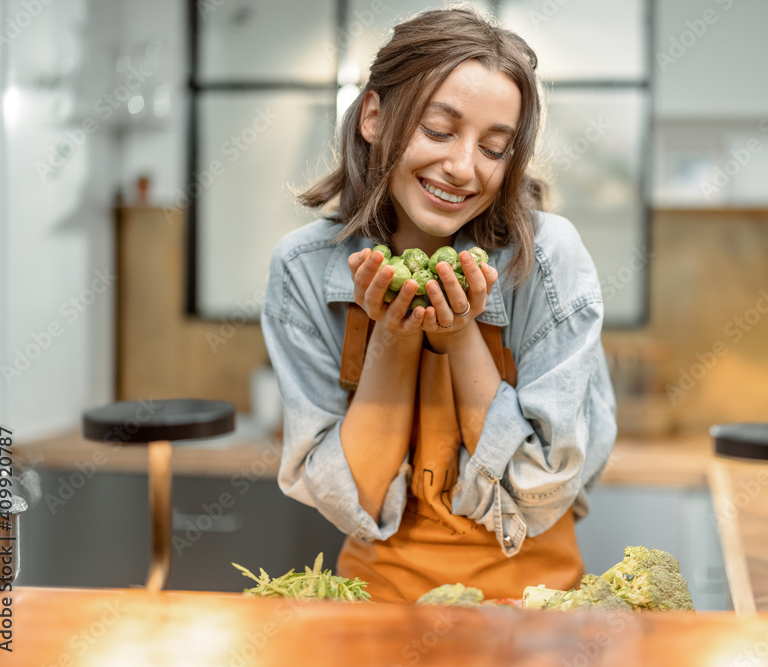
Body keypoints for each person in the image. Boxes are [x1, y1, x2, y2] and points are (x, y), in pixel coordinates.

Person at [261, 7, 617, 603]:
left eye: (494, 148)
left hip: (530, 610)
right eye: (438, 130)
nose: (463, 167)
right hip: (373, 608)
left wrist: (458, 336)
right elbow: (353, 497)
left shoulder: (550, 260)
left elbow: (541, 490)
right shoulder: (302, 267)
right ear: (374, 116)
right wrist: (395, 337)